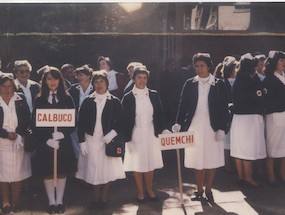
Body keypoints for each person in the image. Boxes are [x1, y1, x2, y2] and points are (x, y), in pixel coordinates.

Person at [172, 53, 228, 202]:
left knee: (211, 159)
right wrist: (178, 122)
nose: (199, 69)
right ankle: (199, 190)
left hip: (213, 128)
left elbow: (224, 108)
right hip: (194, 127)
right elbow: (182, 105)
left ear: (209, 66)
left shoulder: (219, 84)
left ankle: (209, 189)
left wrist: (223, 128)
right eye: (196, 66)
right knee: (197, 160)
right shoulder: (190, 83)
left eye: (202, 65)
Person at [76, 70, 125, 210]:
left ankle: (104, 196)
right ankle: (95, 196)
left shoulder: (114, 101)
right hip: (91, 140)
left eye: (102, 81)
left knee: (106, 169)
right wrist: (81, 142)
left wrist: (112, 133)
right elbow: (81, 123)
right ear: (93, 84)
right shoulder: (87, 101)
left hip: (107, 141)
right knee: (93, 170)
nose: (99, 85)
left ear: (107, 83)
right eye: (96, 82)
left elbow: (121, 122)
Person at [32, 66, 76, 214]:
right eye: (49, 79)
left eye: (55, 78)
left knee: (62, 171)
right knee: (48, 171)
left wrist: (62, 134)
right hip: (46, 143)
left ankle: (60, 201)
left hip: (62, 143)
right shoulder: (39, 99)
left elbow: (73, 121)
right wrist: (47, 139)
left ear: (60, 80)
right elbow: (35, 123)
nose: (52, 82)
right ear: (44, 81)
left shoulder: (67, 98)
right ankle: (51, 201)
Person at [122, 65, 169, 203]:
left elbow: (159, 115)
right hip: (135, 135)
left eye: (144, 77)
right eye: (139, 78)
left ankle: (149, 189)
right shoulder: (128, 97)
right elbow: (125, 120)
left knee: (150, 163)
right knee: (138, 164)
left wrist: (164, 129)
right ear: (133, 79)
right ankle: (140, 191)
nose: (142, 80)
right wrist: (127, 139)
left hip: (151, 134)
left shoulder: (153, 94)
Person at [230, 53, 266, 187]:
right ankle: (248, 177)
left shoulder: (238, 79)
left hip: (239, 119)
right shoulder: (250, 80)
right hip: (249, 118)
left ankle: (241, 176)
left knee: (240, 149)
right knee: (248, 149)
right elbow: (259, 95)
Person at [0, 73, 31, 214]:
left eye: (10, 86)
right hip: (1, 142)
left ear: (14, 87)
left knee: (17, 173)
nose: (7, 89)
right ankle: (6, 202)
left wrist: (19, 134)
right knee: (3, 174)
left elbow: (27, 118)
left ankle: (16, 201)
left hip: (19, 141)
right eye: (3, 86)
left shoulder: (20, 99)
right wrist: (6, 134)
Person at [263, 51, 285, 186]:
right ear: (274, 62)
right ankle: (271, 175)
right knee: (272, 146)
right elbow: (267, 100)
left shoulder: (284, 77)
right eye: (281, 60)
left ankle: (282, 174)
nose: (283, 62)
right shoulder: (269, 79)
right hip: (274, 116)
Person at [68, 65, 94, 158]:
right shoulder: (73, 89)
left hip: (90, 123)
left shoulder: (94, 88)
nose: (79, 77)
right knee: (77, 148)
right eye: (77, 75)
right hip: (76, 123)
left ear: (88, 76)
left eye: (81, 75)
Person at [220, 56, 238, 172]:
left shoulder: (238, 82)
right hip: (227, 115)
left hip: (236, 115)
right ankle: (227, 164)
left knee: (234, 140)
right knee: (226, 141)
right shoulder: (223, 83)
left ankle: (234, 163)